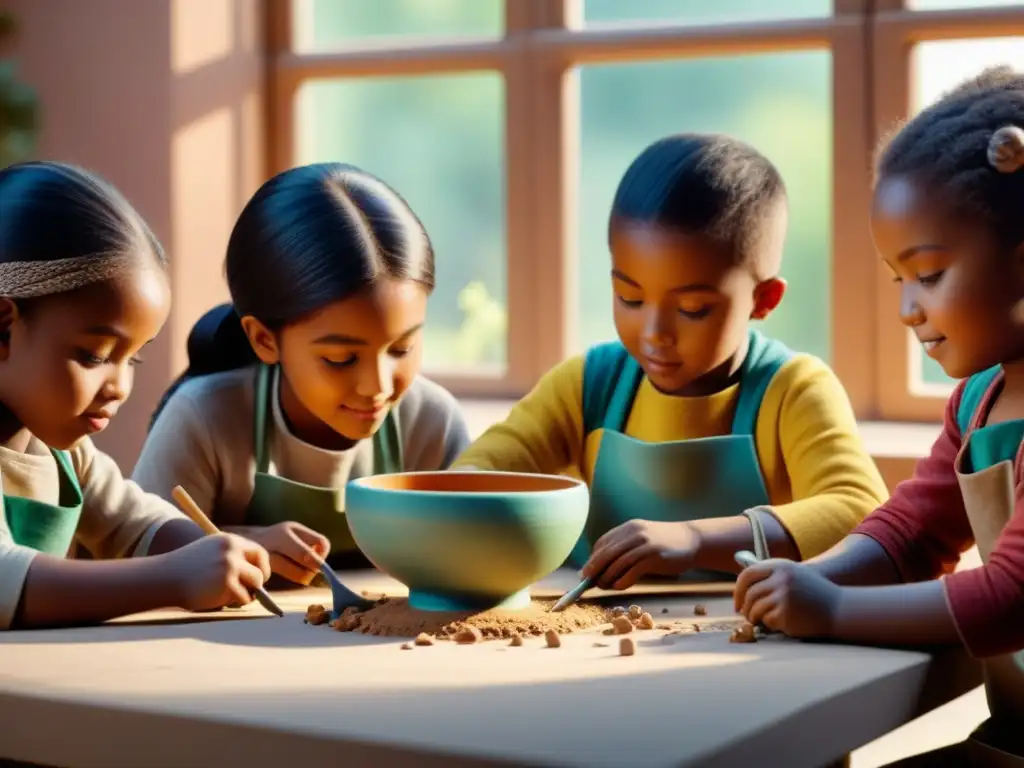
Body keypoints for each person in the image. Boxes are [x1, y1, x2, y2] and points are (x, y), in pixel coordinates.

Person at [734, 66, 1024, 765]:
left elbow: (1012, 596)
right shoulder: (981, 395)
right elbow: (913, 531)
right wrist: (814, 578)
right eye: (898, 279)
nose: (907, 310)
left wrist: (830, 611)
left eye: (928, 275)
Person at [453, 133, 888, 588]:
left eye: (692, 310)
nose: (654, 332)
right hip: (596, 636)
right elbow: (480, 471)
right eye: (629, 297)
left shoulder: (792, 390)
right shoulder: (589, 385)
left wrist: (696, 539)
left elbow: (859, 510)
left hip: (744, 638)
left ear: (763, 299)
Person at [134, 163, 471, 585]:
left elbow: (477, 546)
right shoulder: (204, 418)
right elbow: (134, 551)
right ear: (264, 339)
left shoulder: (431, 423)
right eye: (340, 358)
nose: (378, 386)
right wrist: (240, 545)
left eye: (402, 348)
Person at [0, 161, 272, 630]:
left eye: (134, 359)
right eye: (92, 355)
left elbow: (135, 524)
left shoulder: (67, 455)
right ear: (3, 327)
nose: (120, 387)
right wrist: (174, 579)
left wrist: (217, 552)